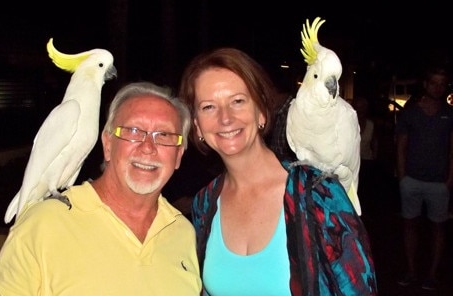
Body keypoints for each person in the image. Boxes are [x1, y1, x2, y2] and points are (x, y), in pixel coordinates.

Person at [178, 47, 377, 295]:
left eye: (238, 101)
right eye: (208, 107)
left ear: (261, 111)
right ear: (196, 125)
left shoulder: (319, 196)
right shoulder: (204, 204)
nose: (225, 118)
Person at [0, 82, 202, 295]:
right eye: (134, 131)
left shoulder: (183, 234)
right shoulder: (43, 224)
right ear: (108, 145)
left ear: (178, 156)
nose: (148, 147)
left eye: (164, 135)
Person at [395, 66, 453, 291]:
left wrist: (449, 179)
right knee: (410, 225)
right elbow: (401, 145)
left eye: (442, 83)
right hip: (412, 180)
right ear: (426, 84)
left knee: (438, 228)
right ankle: (411, 271)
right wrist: (402, 177)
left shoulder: (449, 114)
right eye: (434, 82)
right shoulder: (411, 112)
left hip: (439, 182)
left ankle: (432, 274)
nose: (438, 87)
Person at [352, 96, 379, 210]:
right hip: (352, 162)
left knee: (366, 189)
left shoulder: (371, 124)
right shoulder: (350, 123)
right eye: (358, 108)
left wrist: (375, 155)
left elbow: (374, 140)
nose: (360, 111)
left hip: (367, 160)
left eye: (363, 108)